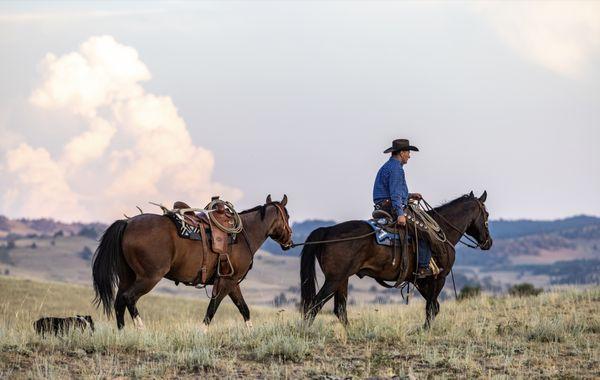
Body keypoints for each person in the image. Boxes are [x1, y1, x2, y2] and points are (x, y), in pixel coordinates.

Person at [372, 138, 434, 278]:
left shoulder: (389, 166)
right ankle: (422, 268)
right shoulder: (396, 169)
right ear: (401, 153)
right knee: (425, 230)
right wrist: (400, 213)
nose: (409, 156)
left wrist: (410, 195)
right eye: (408, 152)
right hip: (392, 207)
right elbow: (395, 194)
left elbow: (395, 191)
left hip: (385, 204)